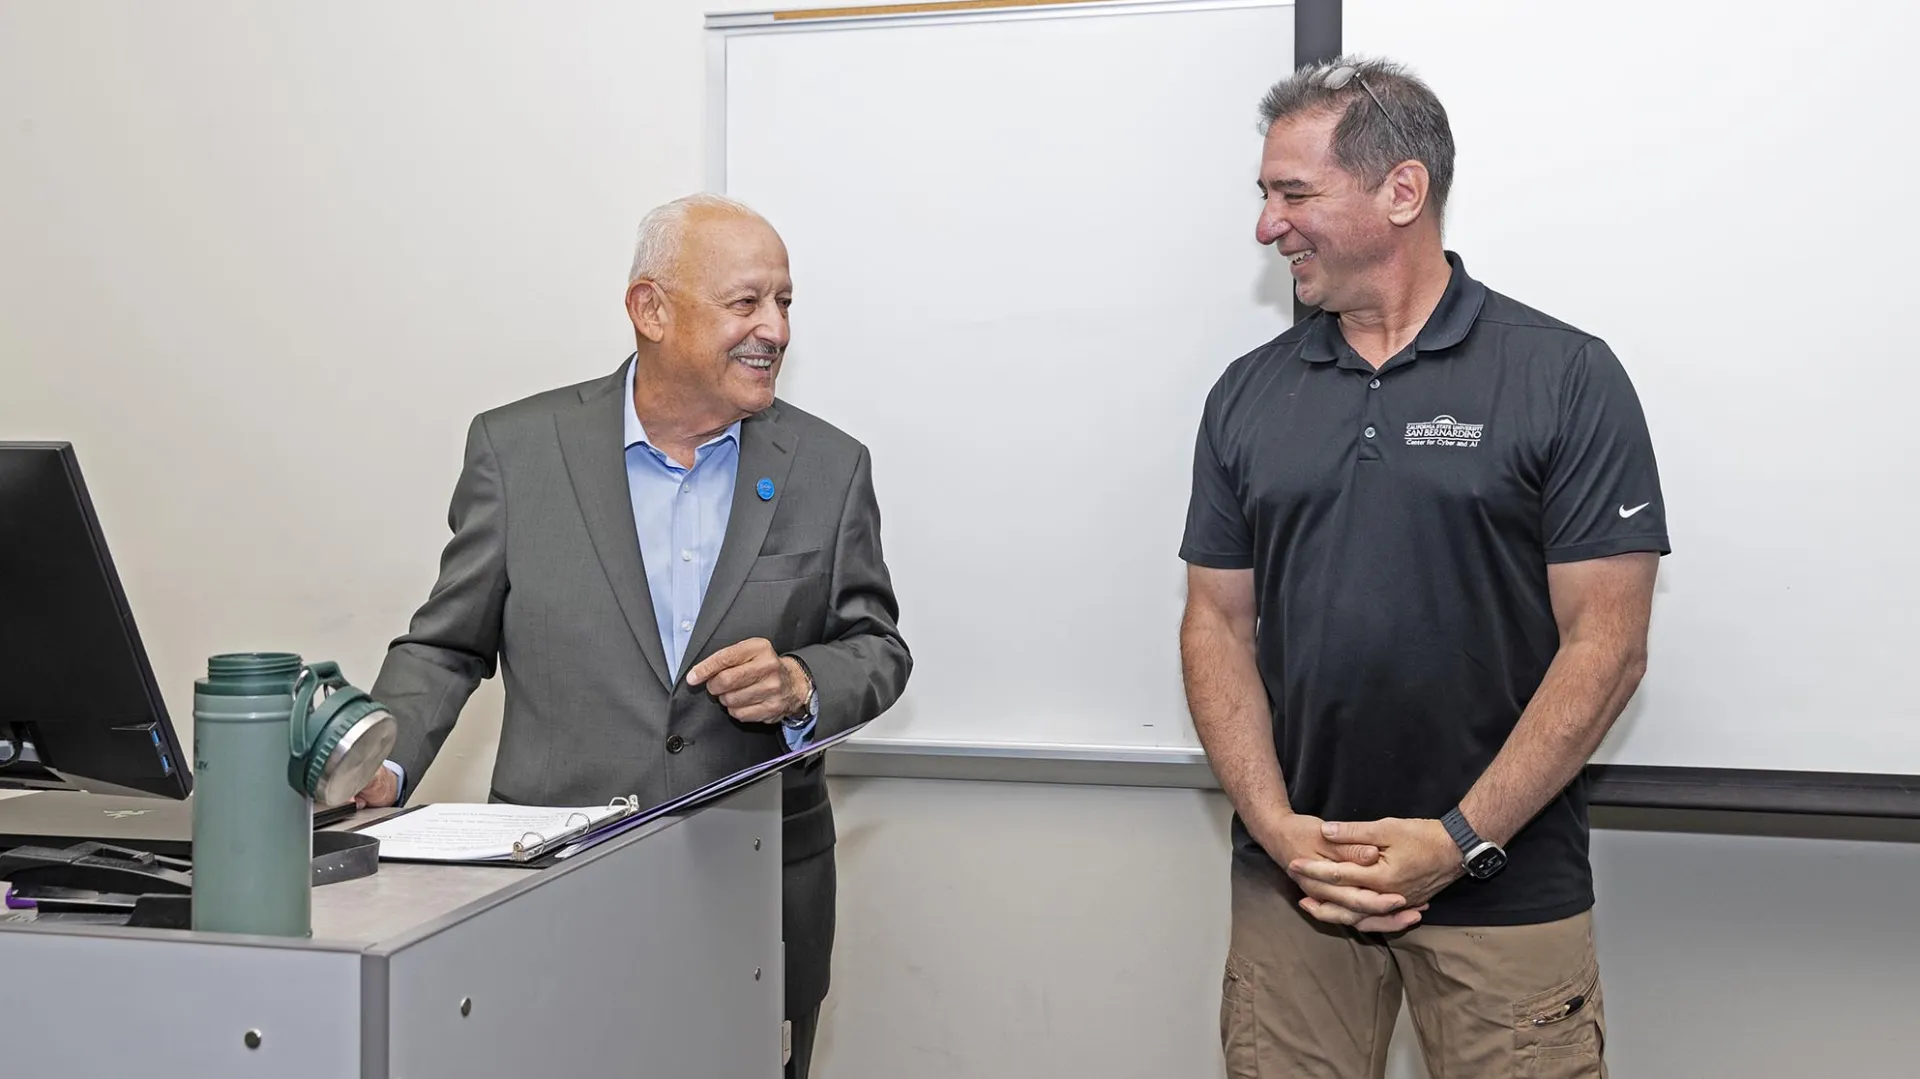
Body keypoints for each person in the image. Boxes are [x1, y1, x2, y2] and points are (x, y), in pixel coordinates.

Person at [1179, 55, 1666, 1078]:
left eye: (1293, 193)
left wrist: (1457, 839)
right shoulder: (1246, 394)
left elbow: (1608, 644)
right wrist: (1277, 829)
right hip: (1294, 890)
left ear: (1403, 191)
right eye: (1265, 195)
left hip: (1505, 890)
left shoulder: (1564, 376)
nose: (1267, 226)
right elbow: (1216, 623)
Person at [353, 193, 912, 1079]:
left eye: (786, 302)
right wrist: (375, 763)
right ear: (650, 309)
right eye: (746, 302)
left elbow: (877, 645)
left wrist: (804, 683)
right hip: (554, 891)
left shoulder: (830, 465)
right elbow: (447, 645)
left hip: (757, 892)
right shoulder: (520, 449)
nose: (774, 328)